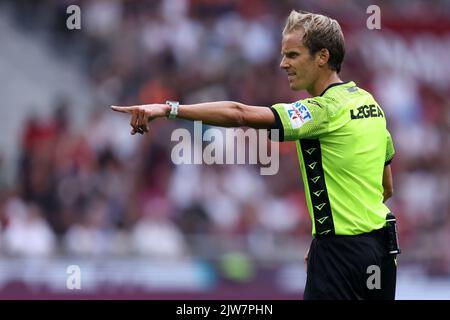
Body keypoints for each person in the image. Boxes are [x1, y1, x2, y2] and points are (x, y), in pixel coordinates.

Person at [111, 10, 399, 300]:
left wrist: (169, 109)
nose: (283, 64)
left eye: (293, 55)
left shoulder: (322, 110)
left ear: (322, 57)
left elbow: (240, 114)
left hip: (341, 254)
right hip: (382, 248)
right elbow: (386, 187)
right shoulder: (369, 103)